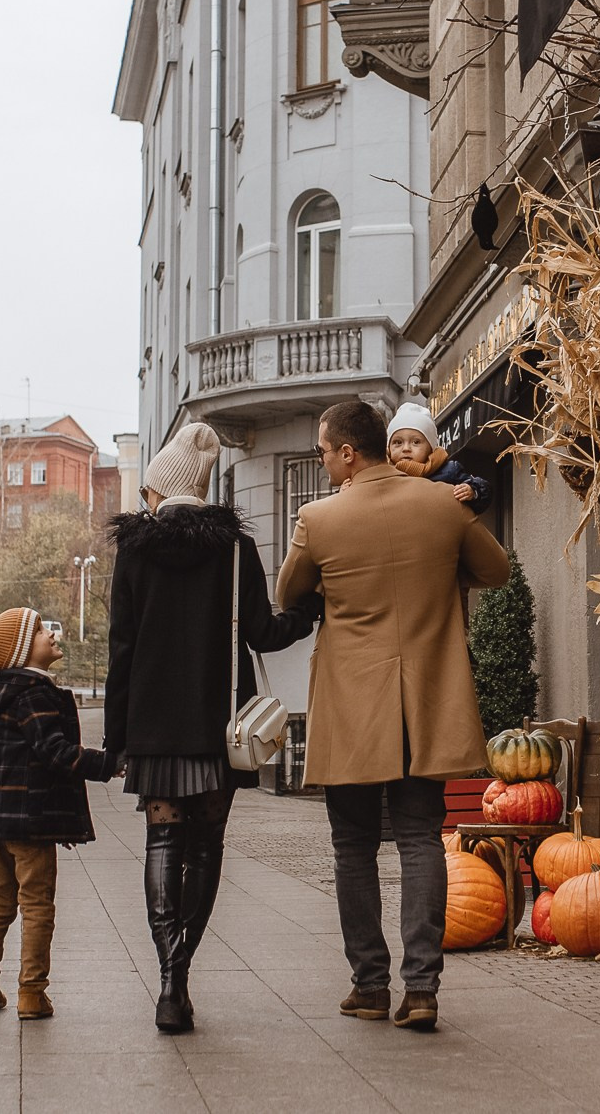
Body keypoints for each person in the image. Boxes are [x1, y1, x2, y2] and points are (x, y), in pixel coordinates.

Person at [278, 399, 510, 1033]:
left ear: (348, 452)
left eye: (323, 451)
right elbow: (496, 570)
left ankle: (370, 985)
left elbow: (286, 592)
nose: (322, 461)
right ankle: (424, 989)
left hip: (353, 705)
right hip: (426, 701)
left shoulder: (319, 518)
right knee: (419, 837)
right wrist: (443, 574)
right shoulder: (442, 504)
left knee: (352, 845)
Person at [106, 422, 317, 1035]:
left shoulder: (134, 551)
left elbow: (122, 649)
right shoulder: (234, 549)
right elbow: (263, 634)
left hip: (152, 727)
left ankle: (169, 984)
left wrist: (116, 739)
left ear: (159, 489)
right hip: (216, 725)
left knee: (162, 844)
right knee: (205, 848)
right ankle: (180, 974)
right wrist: (307, 613)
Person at [0, 607, 112, 1021]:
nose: (51, 633)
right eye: (40, 630)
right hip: (30, 820)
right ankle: (32, 993)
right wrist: (107, 763)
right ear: (21, 650)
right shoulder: (33, 693)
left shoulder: (5, 692)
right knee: (37, 905)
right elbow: (55, 753)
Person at [384, 403, 490, 513]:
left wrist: (473, 491)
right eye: (398, 442)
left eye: (416, 442)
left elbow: (483, 492)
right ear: (388, 448)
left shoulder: (449, 471)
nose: (406, 448)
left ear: (431, 448)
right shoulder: (383, 476)